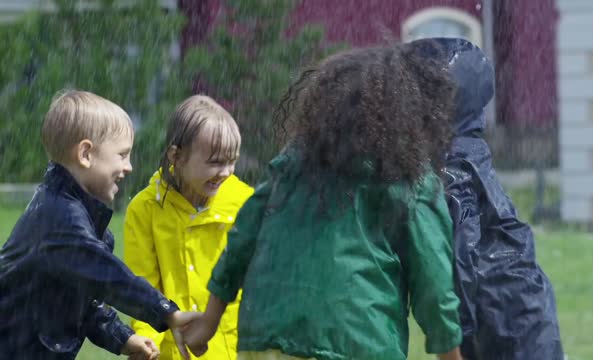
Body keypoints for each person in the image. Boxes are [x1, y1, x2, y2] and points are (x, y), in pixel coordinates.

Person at [182, 43, 464, 360]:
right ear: (406, 114)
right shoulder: (409, 181)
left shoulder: (292, 166)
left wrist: (209, 321)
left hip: (266, 340)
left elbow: (242, 238)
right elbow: (434, 285)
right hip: (358, 342)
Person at [0, 90, 200, 360]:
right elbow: (109, 277)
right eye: (122, 154)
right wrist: (165, 310)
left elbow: (84, 301)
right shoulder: (60, 220)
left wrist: (123, 337)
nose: (128, 167)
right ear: (85, 154)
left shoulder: (78, 220)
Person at [408, 37, 564, 360]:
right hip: (523, 310)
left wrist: (456, 339)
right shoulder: (469, 150)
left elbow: (461, 251)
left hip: (503, 320)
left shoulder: (453, 167)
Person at [124, 95, 254, 359]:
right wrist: (147, 344)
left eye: (232, 161)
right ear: (177, 156)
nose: (226, 171)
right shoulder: (145, 209)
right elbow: (142, 286)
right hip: (174, 353)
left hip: (234, 351)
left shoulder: (246, 204)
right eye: (215, 162)